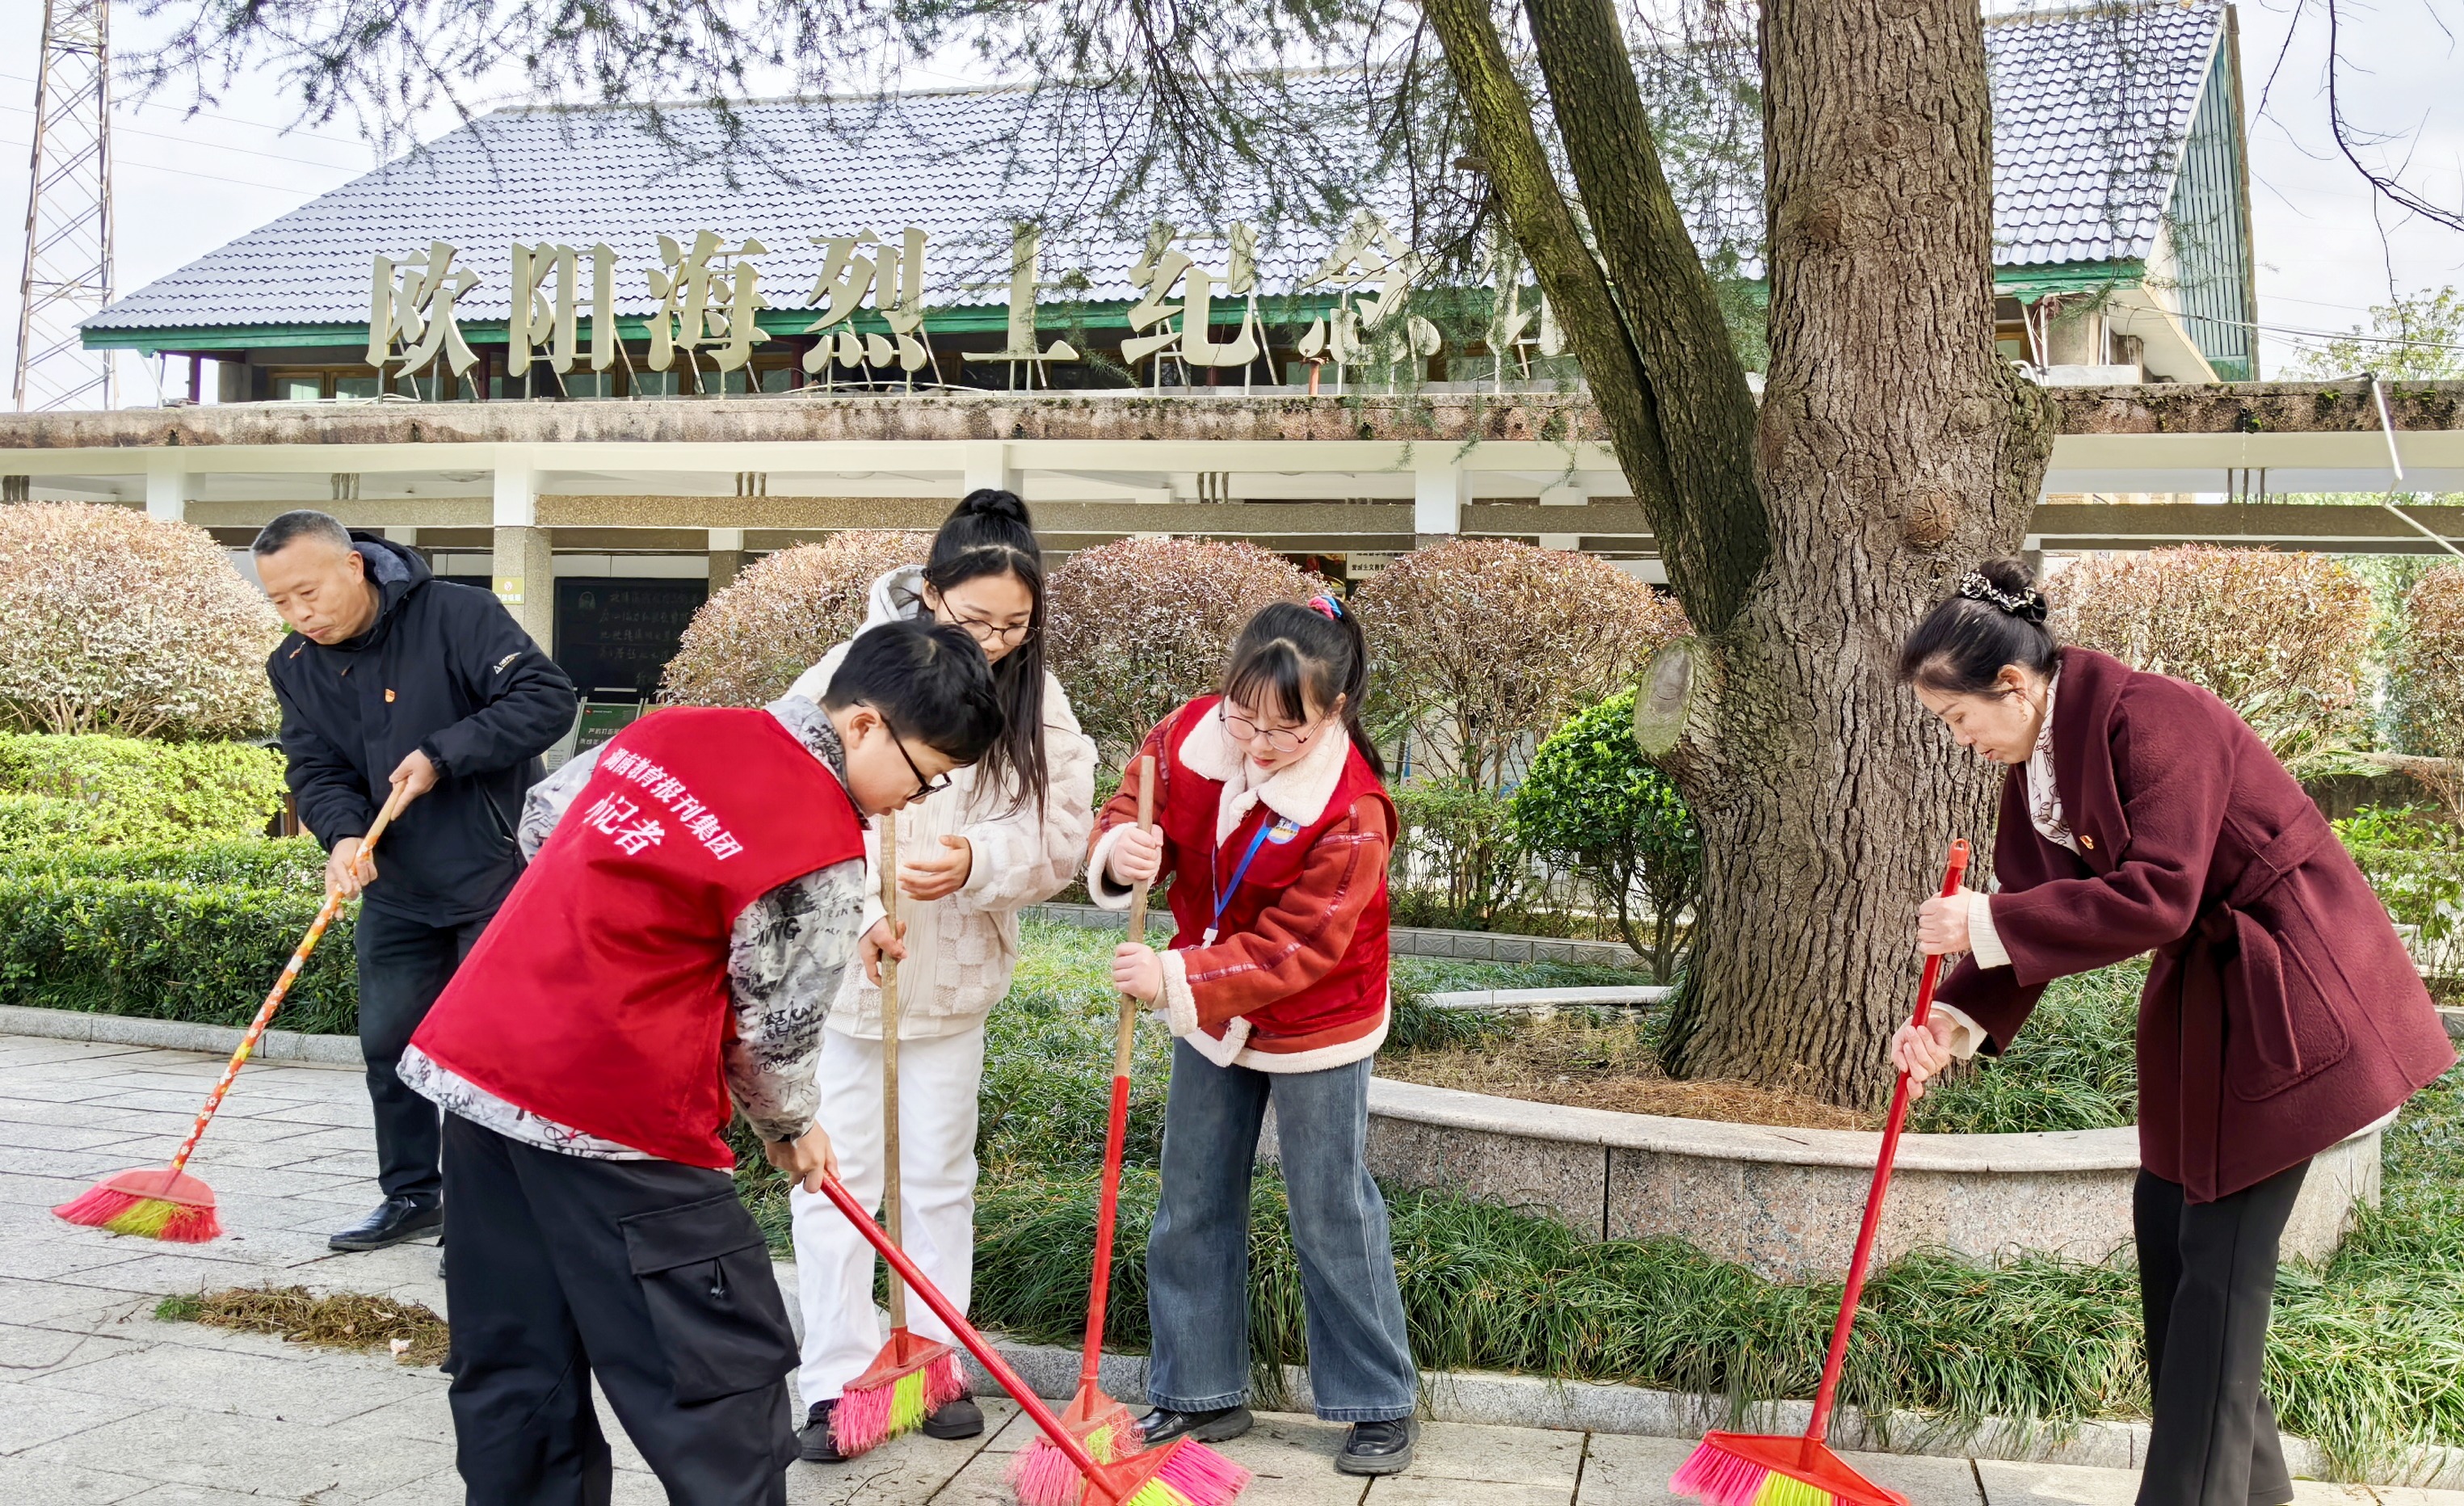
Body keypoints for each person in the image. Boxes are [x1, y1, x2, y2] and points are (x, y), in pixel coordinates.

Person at [398, 619, 1005, 1506]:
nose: (912, 801)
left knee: (515, 1362)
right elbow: (777, 1034)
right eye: (923, 773)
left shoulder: (669, 729)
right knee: (717, 1379)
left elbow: (542, 825)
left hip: (484, 1068)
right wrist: (791, 1128)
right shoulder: (819, 849)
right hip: (622, 1112)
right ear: (865, 725)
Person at [1893, 559, 2456, 1506]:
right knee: (2171, 1236)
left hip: (2296, 992)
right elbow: (2038, 911)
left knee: (2218, 1273)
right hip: (2208, 1005)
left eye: (1956, 719)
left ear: (2014, 685)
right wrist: (1946, 1023)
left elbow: (2157, 894)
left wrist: (1981, 920)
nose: (1959, 741)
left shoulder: (2156, 716)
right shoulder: (2036, 765)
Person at [781, 490, 1098, 1461]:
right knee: (840, 1181)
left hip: (954, 976)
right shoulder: (851, 668)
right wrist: (862, 907)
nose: (997, 642)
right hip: (849, 978)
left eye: (1016, 623)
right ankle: (837, 1378)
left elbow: (1059, 832)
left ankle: (931, 1358)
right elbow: (786, 797)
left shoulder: (1035, 695)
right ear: (929, 593)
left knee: (936, 1177)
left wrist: (976, 860)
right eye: (975, 621)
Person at [1089, 595, 1419, 1479]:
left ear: (1334, 710)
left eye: (1286, 729)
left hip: (1315, 1020)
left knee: (1329, 1209)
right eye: (1243, 717)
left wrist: (1173, 978)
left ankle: (1376, 1401)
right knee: (1190, 1197)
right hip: (1207, 1011)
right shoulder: (1187, 733)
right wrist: (1120, 845)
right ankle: (1198, 1390)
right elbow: (1132, 797)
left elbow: (1302, 947)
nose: (1257, 743)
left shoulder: (1353, 814)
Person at [252, 509, 576, 1253]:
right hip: (396, 883)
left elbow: (545, 701)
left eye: (308, 594)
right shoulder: (295, 665)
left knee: (483, 1050)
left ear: (353, 567)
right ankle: (410, 1195)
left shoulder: (458, 614)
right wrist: (338, 835)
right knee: (389, 1043)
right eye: (280, 603)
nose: (300, 616)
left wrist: (442, 753)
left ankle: (485, 1212)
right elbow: (315, 767)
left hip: (494, 873)